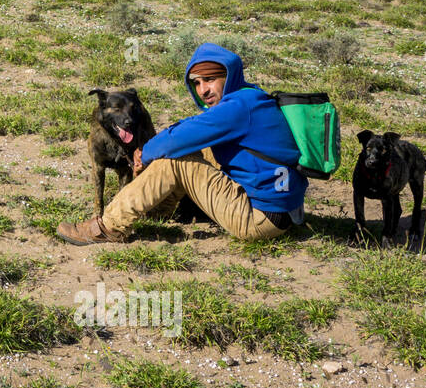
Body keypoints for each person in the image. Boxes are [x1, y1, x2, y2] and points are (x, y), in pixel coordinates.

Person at [56, 43, 306, 245]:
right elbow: (190, 130)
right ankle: (159, 211)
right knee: (191, 148)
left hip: (259, 218)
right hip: (282, 210)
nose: (203, 90)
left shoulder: (237, 108)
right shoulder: (249, 97)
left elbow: (180, 138)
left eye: (210, 79)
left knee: (175, 160)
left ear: (229, 76)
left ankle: (107, 226)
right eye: (196, 82)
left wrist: (145, 153)